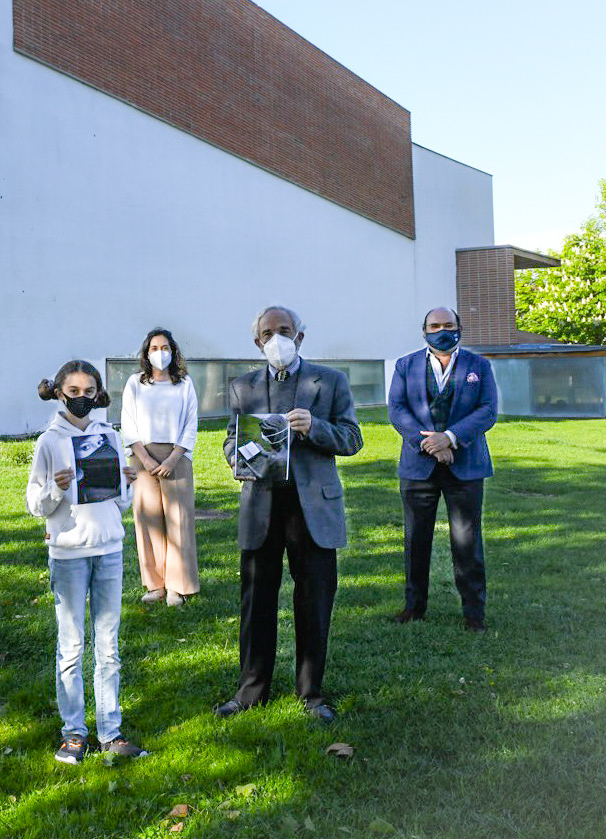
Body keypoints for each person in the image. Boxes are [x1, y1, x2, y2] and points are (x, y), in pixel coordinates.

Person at [216, 306, 362, 724]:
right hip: (262, 502)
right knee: (256, 600)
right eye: (268, 332)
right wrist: (236, 458)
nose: (276, 338)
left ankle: (311, 692)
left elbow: (352, 438)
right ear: (257, 341)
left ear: (299, 337)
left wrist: (314, 426)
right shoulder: (243, 386)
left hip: (312, 505)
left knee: (314, 600)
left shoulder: (330, 381)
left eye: (285, 330)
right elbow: (231, 437)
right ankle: (250, 691)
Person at [27, 360, 146, 764]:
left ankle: (110, 730)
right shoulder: (49, 441)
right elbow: (35, 504)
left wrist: (126, 480)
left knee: (109, 646)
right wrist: (54, 488)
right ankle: (73, 732)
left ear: (98, 394)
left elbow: (121, 501)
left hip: (109, 548)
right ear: (60, 393)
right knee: (72, 646)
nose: (82, 398)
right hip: (69, 553)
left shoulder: (109, 435)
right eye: (73, 391)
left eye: (88, 391)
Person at [388, 307, 497, 632]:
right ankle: (414, 607)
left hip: (466, 466)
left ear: (459, 328)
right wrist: (430, 444)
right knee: (415, 540)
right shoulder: (405, 365)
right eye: (435, 326)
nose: (442, 330)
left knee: (467, 540)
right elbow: (397, 408)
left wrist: (449, 438)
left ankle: (473, 613)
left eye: (448, 325)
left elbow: (488, 410)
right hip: (417, 467)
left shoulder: (479, 366)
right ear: (424, 331)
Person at [121, 328, 200, 606]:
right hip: (142, 457)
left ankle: (178, 586)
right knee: (148, 520)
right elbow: (128, 423)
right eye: (154, 348)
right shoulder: (135, 383)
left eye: (165, 347)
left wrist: (172, 459)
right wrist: (145, 459)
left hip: (176, 457)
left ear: (173, 351)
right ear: (146, 353)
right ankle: (155, 584)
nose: (160, 353)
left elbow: (191, 423)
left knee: (178, 520)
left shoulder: (184, 383)